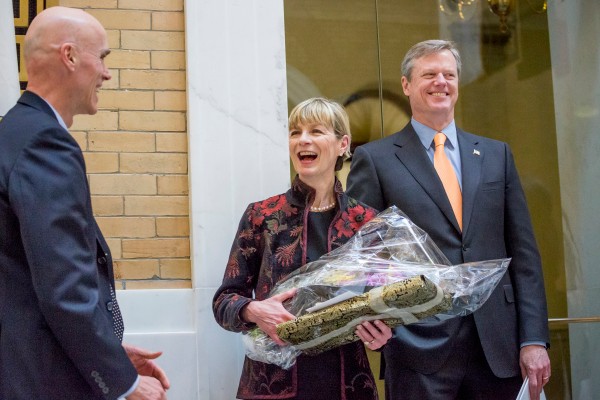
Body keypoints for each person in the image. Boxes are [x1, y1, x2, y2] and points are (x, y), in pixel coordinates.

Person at [346, 40, 551, 400]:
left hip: (499, 348)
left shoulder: (495, 155)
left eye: (449, 74)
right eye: (429, 74)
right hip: (416, 347)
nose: (441, 81)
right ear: (407, 85)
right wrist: (380, 322)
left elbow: (525, 256)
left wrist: (533, 338)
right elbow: (365, 257)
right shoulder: (375, 160)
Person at [0, 7, 170, 400]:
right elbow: (64, 290)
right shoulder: (46, 143)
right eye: (104, 57)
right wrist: (122, 381)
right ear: (70, 56)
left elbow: (22, 281)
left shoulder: (13, 133)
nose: (108, 74)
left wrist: (109, 351)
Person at [213, 97, 393, 399]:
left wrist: (385, 335)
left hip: (348, 384)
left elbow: (386, 301)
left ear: (342, 143)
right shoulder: (262, 216)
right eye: (295, 132)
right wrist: (254, 310)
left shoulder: (366, 221)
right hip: (271, 384)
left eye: (316, 131)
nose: (303, 140)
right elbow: (224, 302)